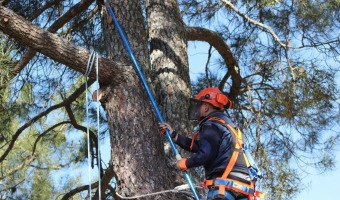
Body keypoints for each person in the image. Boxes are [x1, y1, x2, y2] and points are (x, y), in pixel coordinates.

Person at [159, 88, 254, 200]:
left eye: (198, 106)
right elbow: (204, 147)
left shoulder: (210, 124)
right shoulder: (228, 126)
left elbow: (204, 154)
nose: (196, 110)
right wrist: (175, 136)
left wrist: (186, 163)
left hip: (225, 188)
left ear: (206, 107)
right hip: (245, 189)